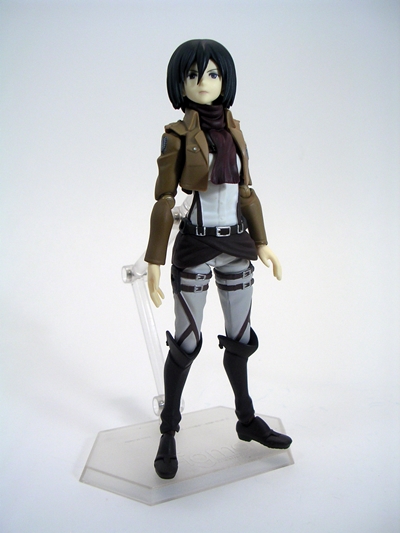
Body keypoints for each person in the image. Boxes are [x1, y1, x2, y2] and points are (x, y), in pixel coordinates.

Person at [144, 39, 291, 479]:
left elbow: (245, 192)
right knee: (187, 343)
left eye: (212, 73)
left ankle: (246, 419)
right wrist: (154, 259)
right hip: (196, 245)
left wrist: (263, 242)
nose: (203, 82)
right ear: (180, 82)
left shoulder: (234, 130)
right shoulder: (176, 135)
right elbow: (164, 198)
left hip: (237, 246)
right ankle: (168, 430)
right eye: (193, 74)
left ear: (225, 80)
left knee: (240, 340)